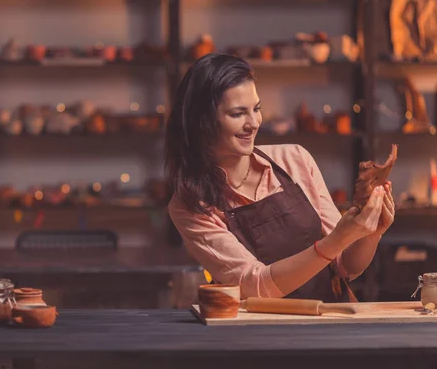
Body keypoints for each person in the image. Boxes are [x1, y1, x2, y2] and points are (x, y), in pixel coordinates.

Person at [165, 53, 395, 302]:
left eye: (256, 109)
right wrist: (338, 239)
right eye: (237, 114)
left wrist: (371, 234)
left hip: (330, 321)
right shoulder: (191, 205)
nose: (253, 123)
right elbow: (254, 285)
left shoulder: (295, 159)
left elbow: (344, 266)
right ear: (203, 121)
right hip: (264, 335)